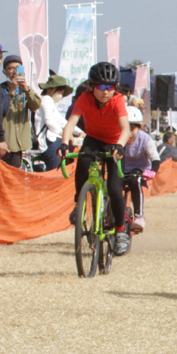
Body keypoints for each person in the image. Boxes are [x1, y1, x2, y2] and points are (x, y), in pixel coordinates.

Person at [58, 63, 132, 255]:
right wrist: (65, 144)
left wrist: (120, 146)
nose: (106, 92)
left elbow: (126, 129)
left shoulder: (118, 100)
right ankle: (79, 204)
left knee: (115, 188)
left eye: (110, 87)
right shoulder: (84, 98)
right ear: (92, 86)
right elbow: (71, 123)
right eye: (101, 87)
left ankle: (121, 230)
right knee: (82, 162)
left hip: (115, 143)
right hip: (93, 140)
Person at [0, 55, 42, 167]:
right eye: (10, 68)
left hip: (19, 143)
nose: (14, 71)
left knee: (15, 174)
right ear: (4, 72)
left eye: (17, 68)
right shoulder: (0, 89)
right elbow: (1, 109)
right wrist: (12, 89)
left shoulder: (25, 89)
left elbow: (35, 106)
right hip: (5, 141)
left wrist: (26, 89)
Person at [122, 106, 160, 233]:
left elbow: (155, 159)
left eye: (132, 129)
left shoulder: (145, 139)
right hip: (121, 168)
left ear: (138, 128)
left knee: (134, 181)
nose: (128, 133)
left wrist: (152, 171)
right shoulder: (117, 138)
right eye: (125, 128)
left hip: (139, 169)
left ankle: (139, 216)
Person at [35, 76, 79, 172]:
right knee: (55, 171)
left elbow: (62, 121)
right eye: (59, 92)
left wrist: (79, 132)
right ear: (50, 89)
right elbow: (49, 120)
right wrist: (64, 134)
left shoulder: (50, 103)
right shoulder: (47, 99)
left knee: (58, 170)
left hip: (55, 141)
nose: (60, 95)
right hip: (49, 142)